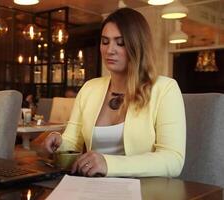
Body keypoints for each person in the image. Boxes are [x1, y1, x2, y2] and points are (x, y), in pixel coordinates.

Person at [43, 8, 186, 178]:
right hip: (91, 187)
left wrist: (108, 163)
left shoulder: (165, 89)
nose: (110, 50)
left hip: (144, 190)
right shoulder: (89, 88)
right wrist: (58, 142)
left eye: (120, 42)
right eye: (105, 42)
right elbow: (72, 141)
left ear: (137, 45)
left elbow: (173, 160)